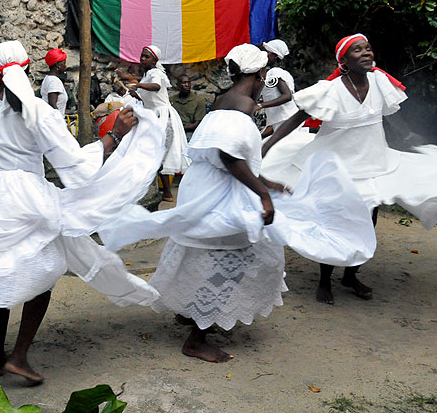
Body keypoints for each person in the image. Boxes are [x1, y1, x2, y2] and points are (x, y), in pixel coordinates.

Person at [95, 43, 376, 362]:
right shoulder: (242, 103)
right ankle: (196, 338)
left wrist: (265, 182)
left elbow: (227, 153)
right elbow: (229, 155)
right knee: (236, 260)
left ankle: (190, 314)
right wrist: (263, 193)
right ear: (260, 74)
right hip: (220, 193)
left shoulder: (223, 100)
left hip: (206, 186)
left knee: (201, 253)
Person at [0, 40, 165, 384]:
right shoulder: (39, 112)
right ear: (29, 71)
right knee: (45, 272)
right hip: (24, 197)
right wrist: (114, 135)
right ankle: (19, 355)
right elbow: (72, 164)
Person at [262, 34, 437, 304]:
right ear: (344, 61)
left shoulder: (380, 82)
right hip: (336, 169)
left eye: (368, 48)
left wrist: (408, 136)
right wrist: (269, 146)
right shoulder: (330, 90)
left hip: (373, 164)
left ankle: (350, 275)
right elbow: (296, 119)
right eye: (357, 50)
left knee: (368, 220)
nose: (366, 53)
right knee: (335, 220)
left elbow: (391, 113)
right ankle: (325, 279)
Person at [127, 45, 189, 202]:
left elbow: (156, 87)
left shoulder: (156, 73)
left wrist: (138, 85)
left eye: (146, 57)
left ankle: (166, 193)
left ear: (155, 60)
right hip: (153, 117)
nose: (142, 59)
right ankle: (163, 192)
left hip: (163, 117)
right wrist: (136, 93)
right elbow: (148, 98)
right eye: (142, 56)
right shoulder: (148, 75)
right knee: (155, 153)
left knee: (160, 153)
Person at [256, 39, 299, 138]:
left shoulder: (275, 73)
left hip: (287, 120)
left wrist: (261, 105)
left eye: (266, 52)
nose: (263, 55)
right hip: (284, 121)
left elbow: (287, 96)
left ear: (274, 56)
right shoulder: (280, 73)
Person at [40, 48, 68, 116]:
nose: (65, 66)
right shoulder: (54, 81)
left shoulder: (47, 78)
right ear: (57, 65)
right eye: (64, 63)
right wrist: (58, 120)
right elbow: (52, 104)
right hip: (53, 122)